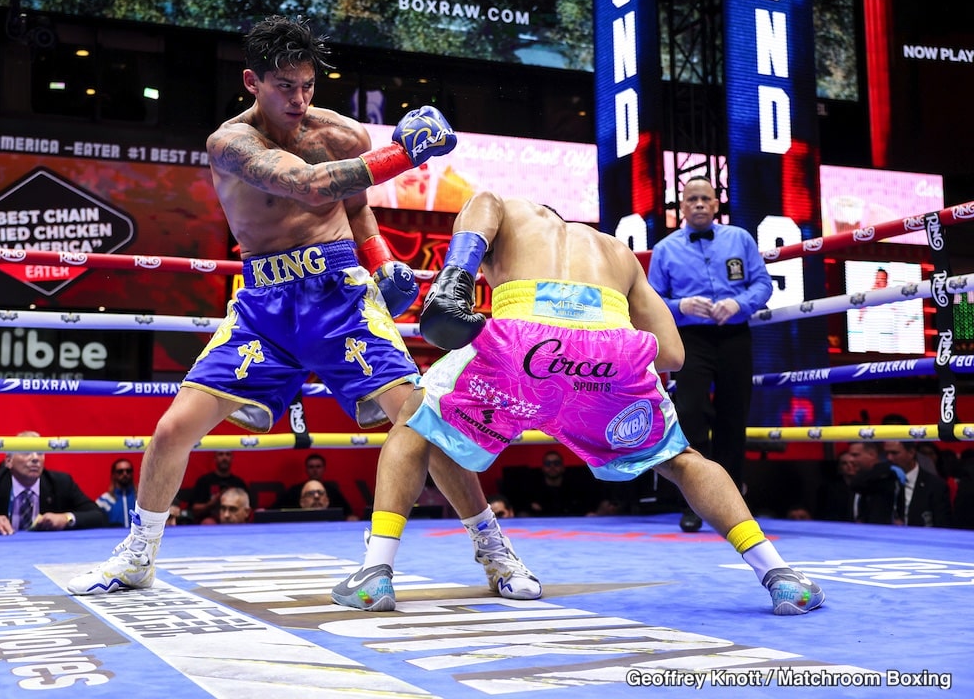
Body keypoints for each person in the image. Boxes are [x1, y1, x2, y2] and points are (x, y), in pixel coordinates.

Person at [67, 15, 538, 601]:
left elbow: (353, 203)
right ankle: (138, 556)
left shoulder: (340, 134)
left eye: (307, 85)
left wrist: (382, 257)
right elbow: (313, 186)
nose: (298, 98)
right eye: (284, 85)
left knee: (422, 424)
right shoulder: (229, 143)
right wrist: (407, 152)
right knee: (171, 430)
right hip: (264, 306)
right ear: (251, 82)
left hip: (341, 297)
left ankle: (495, 552)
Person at [331, 192, 823, 616]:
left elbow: (483, 205)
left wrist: (456, 276)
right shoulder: (616, 251)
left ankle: (376, 572)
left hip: (522, 343)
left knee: (416, 424)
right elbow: (673, 354)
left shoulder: (509, 210)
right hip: (610, 355)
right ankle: (780, 576)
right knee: (683, 460)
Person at [646, 176, 773, 532]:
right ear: (682, 207)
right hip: (691, 339)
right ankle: (695, 502)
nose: (699, 204)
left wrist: (738, 302)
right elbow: (651, 301)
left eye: (706, 198)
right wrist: (681, 305)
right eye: (692, 199)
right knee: (689, 414)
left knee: (733, 418)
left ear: (716, 204)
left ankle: (730, 508)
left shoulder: (740, 239)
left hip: (734, 334)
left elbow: (763, 284)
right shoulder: (666, 249)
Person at [0, 431, 107, 534]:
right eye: (26, 452)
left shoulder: (61, 482)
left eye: (40, 453)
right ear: (8, 461)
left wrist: (66, 519)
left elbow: (98, 516)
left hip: (49, 553)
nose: (35, 458)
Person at [883, 440, 953, 527]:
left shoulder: (935, 485)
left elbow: (943, 525)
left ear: (911, 453)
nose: (889, 458)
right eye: (886, 453)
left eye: (894, 453)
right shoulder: (881, 479)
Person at [277, 453, 356, 518]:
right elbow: (275, 512)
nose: (315, 470)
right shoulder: (294, 491)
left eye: (318, 467)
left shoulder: (333, 492)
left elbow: (349, 514)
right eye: (311, 467)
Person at [528, 450, 600, 516]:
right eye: (548, 463)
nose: (552, 466)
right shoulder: (534, 491)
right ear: (543, 468)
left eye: (556, 463)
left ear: (563, 467)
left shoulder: (574, 490)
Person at [847, 441, 900, 524]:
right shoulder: (860, 477)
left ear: (872, 454)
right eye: (850, 455)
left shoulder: (886, 476)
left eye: (855, 455)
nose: (851, 459)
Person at [188, 451, 247, 523]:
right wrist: (211, 503)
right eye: (221, 454)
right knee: (208, 522)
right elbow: (194, 509)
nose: (224, 458)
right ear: (215, 458)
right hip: (210, 520)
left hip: (234, 520)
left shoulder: (238, 483)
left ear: (232, 458)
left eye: (227, 454)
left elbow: (247, 508)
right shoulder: (204, 481)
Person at [815, 449, 859, 522]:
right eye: (844, 463)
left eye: (853, 463)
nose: (849, 466)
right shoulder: (829, 489)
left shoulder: (865, 487)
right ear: (839, 467)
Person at [96, 458, 138, 527]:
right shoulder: (103, 500)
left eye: (128, 471)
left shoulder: (141, 500)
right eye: (120, 471)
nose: (125, 474)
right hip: (112, 537)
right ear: (114, 474)